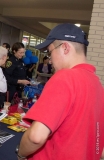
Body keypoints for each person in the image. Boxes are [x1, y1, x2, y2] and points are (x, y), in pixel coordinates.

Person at [17, 23, 104, 160]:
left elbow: (36, 137)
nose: (50, 60)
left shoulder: (65, 77)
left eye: (50, 52)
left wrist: (21, 153)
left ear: (65, 48)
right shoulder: (96, 83)